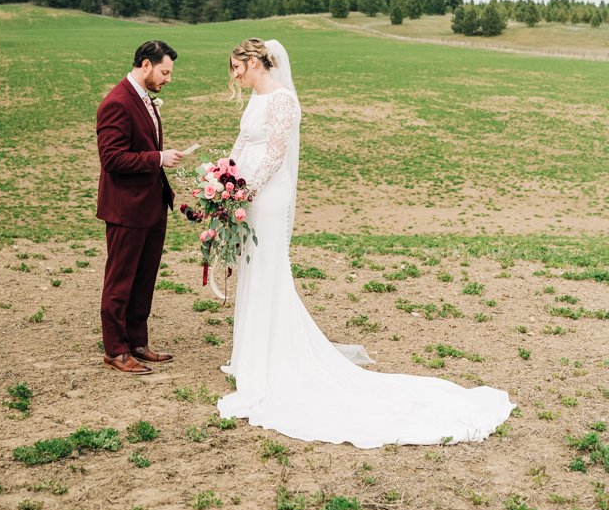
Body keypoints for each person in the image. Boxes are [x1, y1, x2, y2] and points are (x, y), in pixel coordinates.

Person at [216, 37, 514, 446]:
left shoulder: (283, 99)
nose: (234, 74)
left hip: (267, 194)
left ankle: (274, 358)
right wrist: (224, 177)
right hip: (245, 191)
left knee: (269, 267)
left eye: (237, 67)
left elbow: (276, 153)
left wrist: (248, 189)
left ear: (254, 62)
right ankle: (251, 355)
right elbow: (243, 144)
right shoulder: (254, 99)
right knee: (252, 266)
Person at [97, 40, 183, 375]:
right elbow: (112, 158)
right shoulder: (116, 102)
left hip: (151, 205)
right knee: (120, 281)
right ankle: (115, 350)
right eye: (165, 71)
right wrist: (159, 158)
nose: (168, 79)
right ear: (145, 65)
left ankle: (137, 342)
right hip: (126, 208)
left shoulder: (144, 99)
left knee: (144, 278)